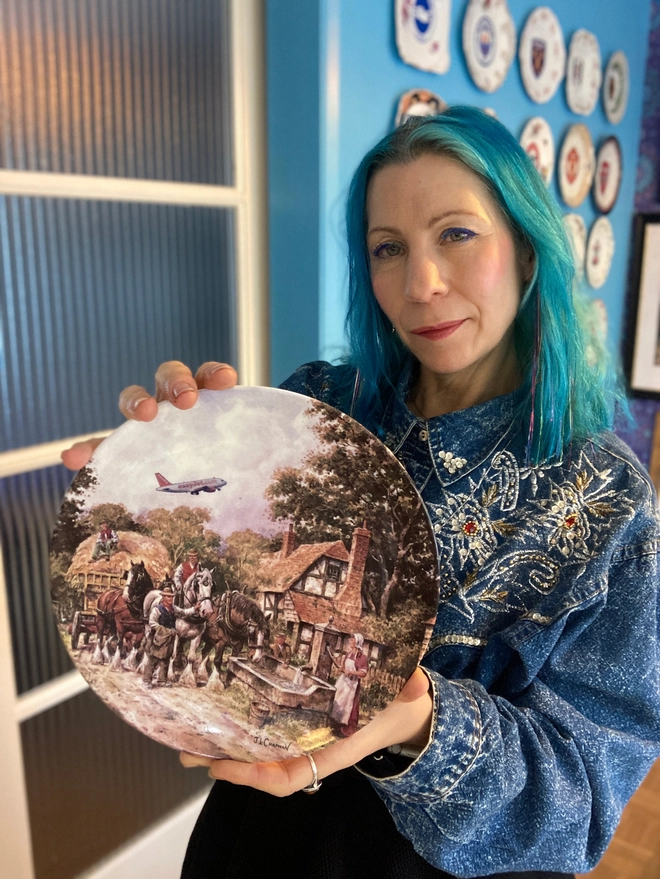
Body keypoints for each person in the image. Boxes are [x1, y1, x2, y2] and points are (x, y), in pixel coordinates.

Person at [62, 107, 660, 878]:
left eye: (456, 233)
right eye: (388, 248)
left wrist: (417, 727)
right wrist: (163, 458)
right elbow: (225, 587)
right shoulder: (319, 410)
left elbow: (579, 806)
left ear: (526, 245)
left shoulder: (608, 500)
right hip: (254, 839)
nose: (421, 284)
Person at [142, 584, 200, 688]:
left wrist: (194, 609)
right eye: (168, 597)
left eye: (171, 597)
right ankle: (147, 680)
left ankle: (162, 680)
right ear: (163, 597)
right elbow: (152, 623)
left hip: (169, 639)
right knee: (153, 659)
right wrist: (166, 631)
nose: (170, 599)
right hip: (158, 638)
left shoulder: (173, 608)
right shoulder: (157, 609)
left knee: (166, 658)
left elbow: (184, 612)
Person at [329, 633, 369, 737]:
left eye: (352, 640)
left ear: (357, 642)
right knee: (338, 702)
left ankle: (346, 730)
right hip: (343, 682)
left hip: (352, 684)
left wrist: (352, 673)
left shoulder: (362, 658)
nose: (350, 641)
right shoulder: (349, 654)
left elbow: (363, 673)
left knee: (349, 705)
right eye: (350, 639)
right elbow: (343, 667)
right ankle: (336, 726)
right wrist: (341, 668)